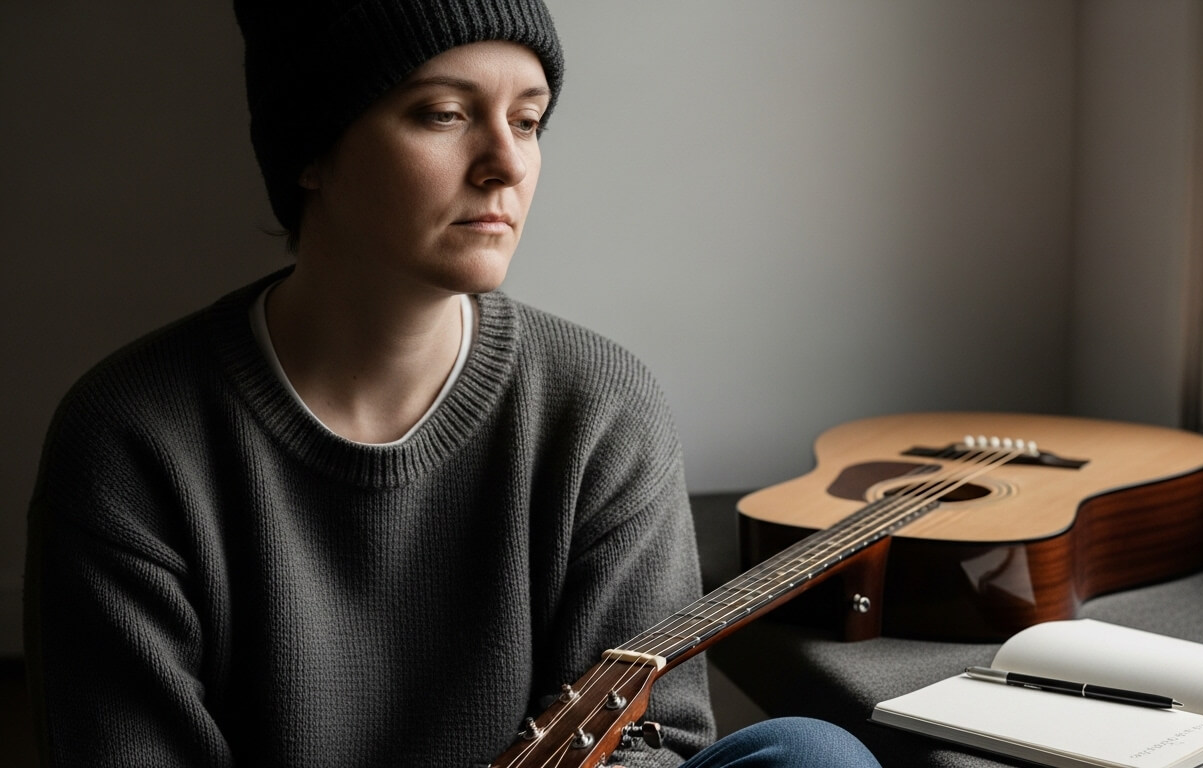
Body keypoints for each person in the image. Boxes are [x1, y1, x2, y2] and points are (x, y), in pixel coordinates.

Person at [23, 2, 882, 767]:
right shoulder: (132, 435)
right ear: (310, 152)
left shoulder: (600, 406)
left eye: (530, 119)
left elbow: (653, 739)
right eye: (443, 114)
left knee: (813, 754)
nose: (505, 164)